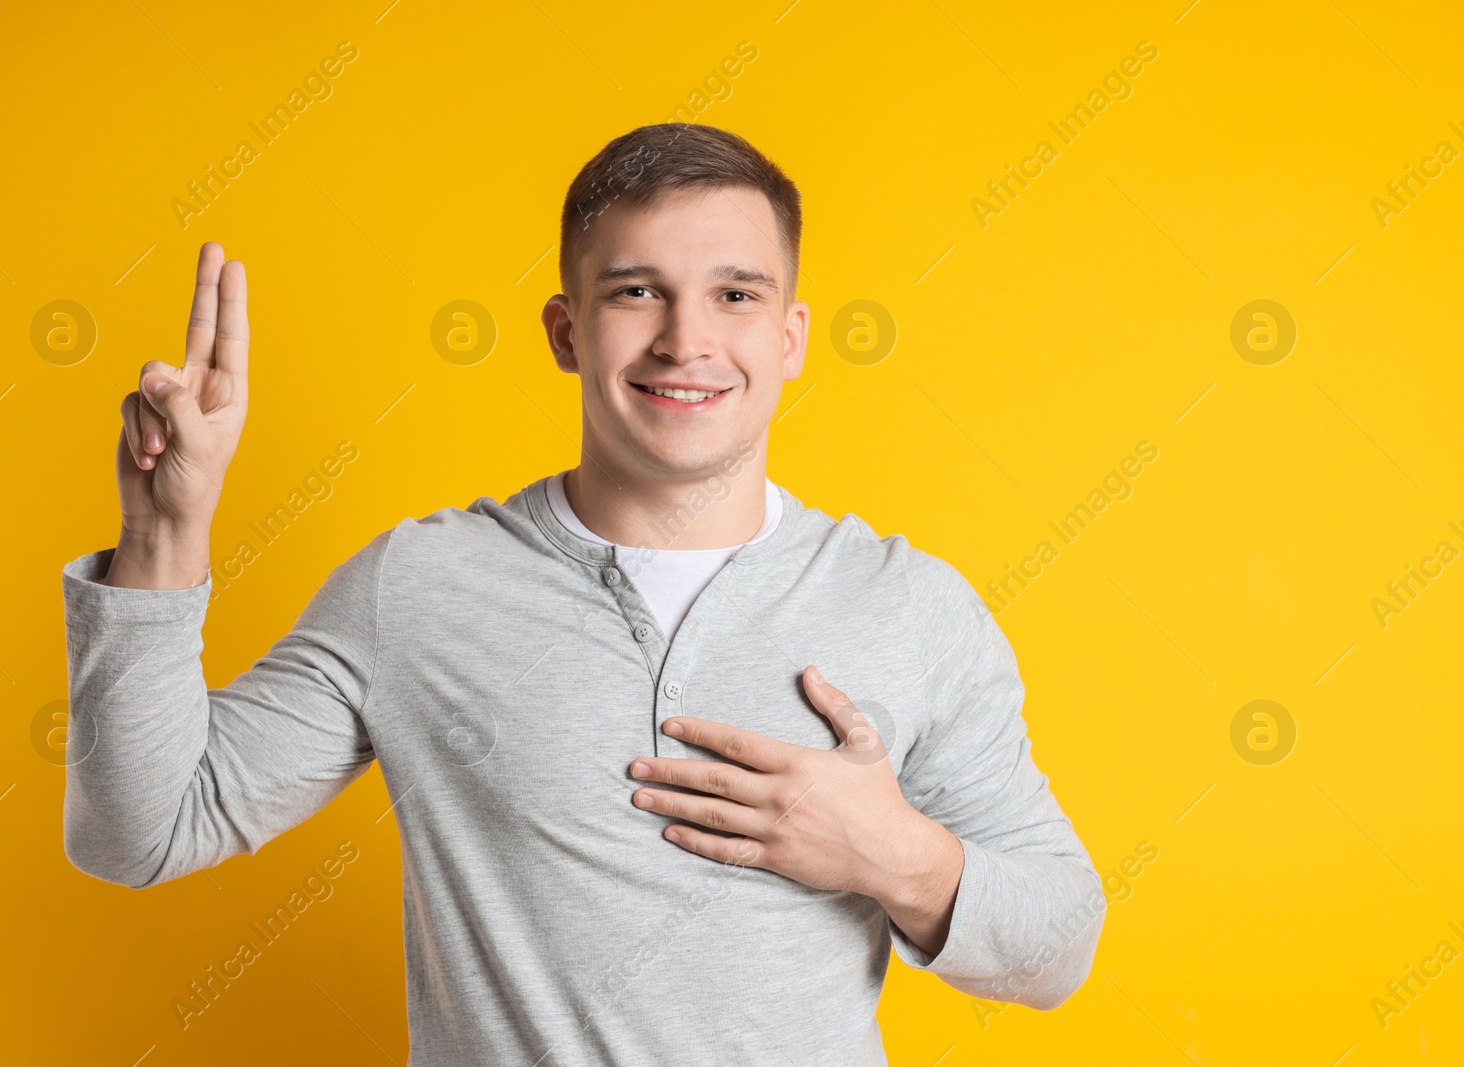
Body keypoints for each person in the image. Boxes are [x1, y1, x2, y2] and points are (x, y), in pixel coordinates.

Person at [61, 123, 1104, 1065]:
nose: (685, 340)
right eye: (635, 290)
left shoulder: (908, 604)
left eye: (734, 294)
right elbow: (140, 832)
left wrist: (893, 855)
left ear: (787, 337)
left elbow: (1056, 946)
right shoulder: (418, 587)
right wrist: (164, 531)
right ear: (566, 330)